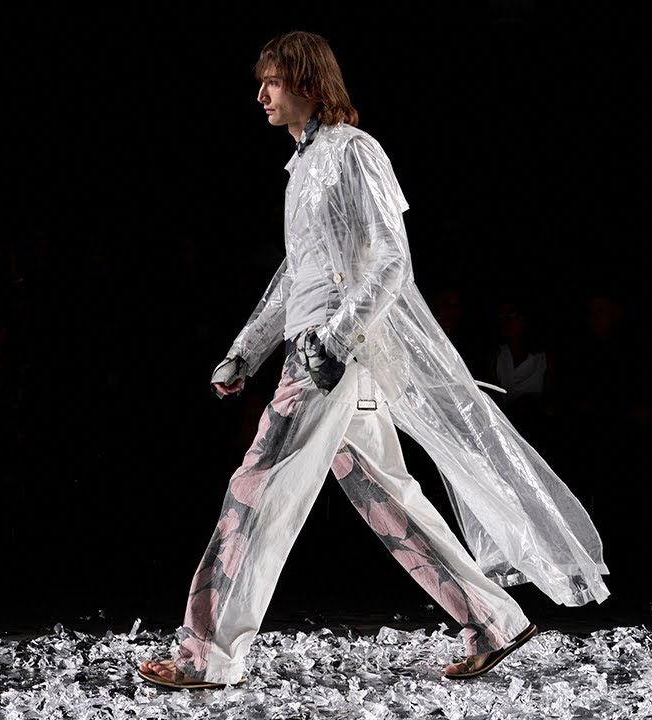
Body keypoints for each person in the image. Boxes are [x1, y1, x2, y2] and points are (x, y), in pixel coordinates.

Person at [137, 31, 607, 690]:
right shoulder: (304, 165)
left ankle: (206, 654)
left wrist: (332, 341)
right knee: (386, 495)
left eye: (273, 81)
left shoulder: (354, 151)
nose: (261, 94)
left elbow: (390, 259)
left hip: (328, 358)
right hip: (326, 353)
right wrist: (246, 349)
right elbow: (297, 273)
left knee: (256, 488)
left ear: (307, 83)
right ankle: (493, 621)